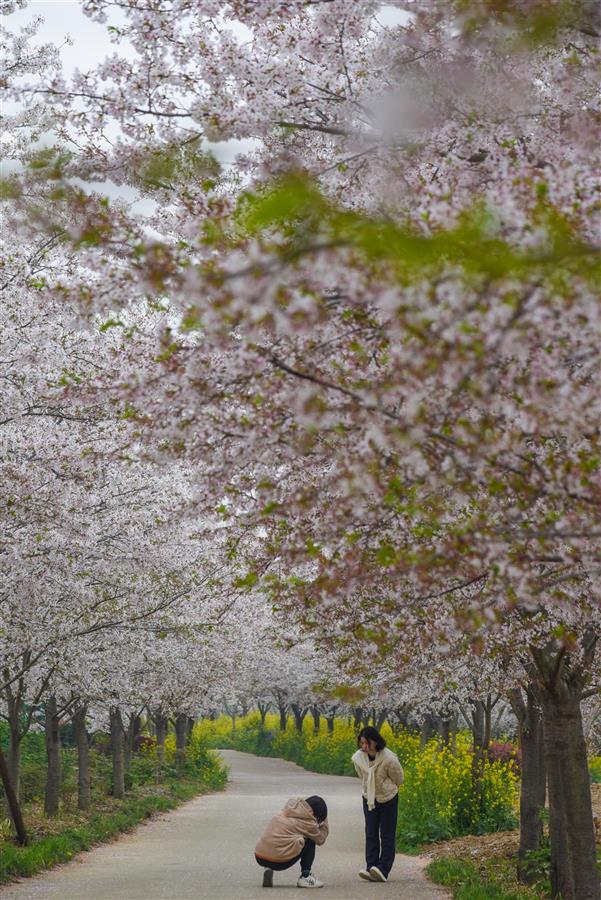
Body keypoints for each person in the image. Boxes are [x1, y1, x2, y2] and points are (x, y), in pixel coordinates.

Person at [351, 726, 404, 883]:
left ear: (375, 741)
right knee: (370, 833)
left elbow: (399, 778)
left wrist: (385, 787)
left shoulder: (389, 758)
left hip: (388, 799)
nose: (364, 747)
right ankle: (371, 867)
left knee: (386, 835)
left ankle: (383, 869)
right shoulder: (359, 758)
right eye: (361, 743)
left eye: (367, 743)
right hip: (369, 798)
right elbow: (362, 777)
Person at [254, 795, 329, 889]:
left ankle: (268, 867)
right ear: (316, 814)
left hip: (260, 856)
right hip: (278, 862)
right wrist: (325, 820)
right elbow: (320, 839)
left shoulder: (286, 810)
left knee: (278, 836)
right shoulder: (309, 823)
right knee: (310, 839)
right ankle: (305, 877)